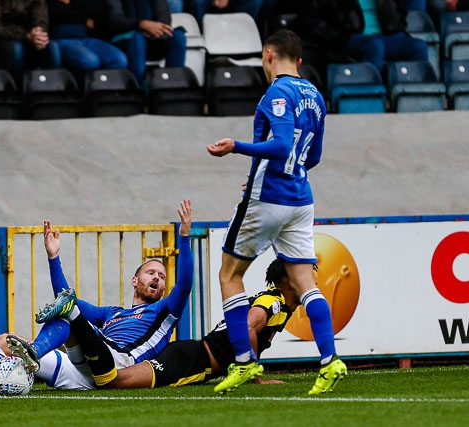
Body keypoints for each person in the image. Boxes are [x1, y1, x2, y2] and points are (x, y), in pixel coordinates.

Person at [0, 199, 193, 396]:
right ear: (135, 280)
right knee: (6, 340)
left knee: (66, 317)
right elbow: (67, 298)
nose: (157, 277)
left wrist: (183, 237)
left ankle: (32, 354)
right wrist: (53, 257)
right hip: (84, 371)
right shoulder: (112, 313)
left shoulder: (164, 311)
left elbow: (186, 284)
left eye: (162, 275)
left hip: (117, 366)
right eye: (150, 272)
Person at [205, 29, 346, 395]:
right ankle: (330, 361)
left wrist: (236, 146)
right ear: (298, 60)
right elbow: (310, 157)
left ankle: (244, 362)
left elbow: (282, 144)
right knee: (305, 282)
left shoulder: (277, 93)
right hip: (301, 198)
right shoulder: (315, 96)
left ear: (268, 55)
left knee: (229, 275)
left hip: (268, 197)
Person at [106, 258, 300, 389]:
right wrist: (253, 375)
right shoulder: (273, 301)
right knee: (115, 381)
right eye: (306, 276)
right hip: (192, 361)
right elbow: (246, 327)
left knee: (114, 377)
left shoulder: (278, 303)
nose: (313, 283)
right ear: (289, 281)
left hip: (192, 354)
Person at [294, 0, 428, 86]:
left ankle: (419, 96)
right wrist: (335, 36)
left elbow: (399, 10)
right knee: (374, 45)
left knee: (419, 47)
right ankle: (374, 94)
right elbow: (309, 17)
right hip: (348, 37)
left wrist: (395, 23)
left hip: (386, 35)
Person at [103, 0, 187, 86]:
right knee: (137, 38)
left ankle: (174, 85)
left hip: (151, 38)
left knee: (178, 36)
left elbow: (164, 14)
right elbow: (115, 21)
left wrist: (157, 29)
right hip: (123, 39)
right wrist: (142, 24)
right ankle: (137, 87)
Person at [47, 0, 128, 84]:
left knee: (119, 59)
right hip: (62, 38)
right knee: (90, 61)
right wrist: (85, 18)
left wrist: (73, 3)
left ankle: (107, 92)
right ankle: (79, 92)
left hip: (88, 38)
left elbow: (99, 10)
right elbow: (56, 9)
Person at [0, 0, 61, 85]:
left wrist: (39, 34)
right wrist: (26, 36)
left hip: (32, 36)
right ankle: (18, 89)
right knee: (17, 50)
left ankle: (53, 88)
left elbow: (41, 19)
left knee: (52, 47)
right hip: (7, 36)